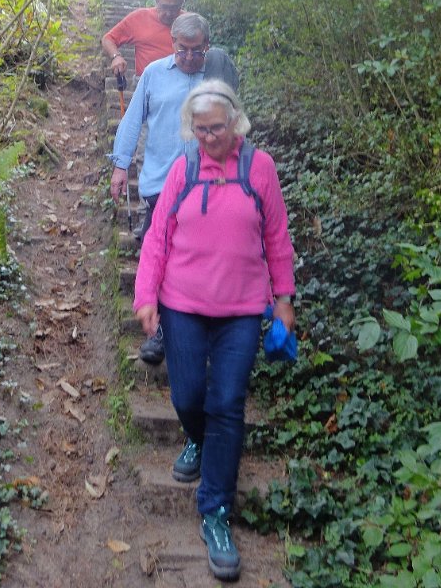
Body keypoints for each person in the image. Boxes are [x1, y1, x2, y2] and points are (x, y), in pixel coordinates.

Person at [133, 81, 296, 581]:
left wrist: (283, 300)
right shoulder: (183, 168)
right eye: (200, 130)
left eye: (217, 128)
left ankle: (216, 512)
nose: (209, 138)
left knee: (227, 404)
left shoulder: (259, 168)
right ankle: (199, 440)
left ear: (236, 122)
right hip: (182, 304)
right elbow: (158, 237)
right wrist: (146, 296)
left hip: (242, 310)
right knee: (187, 396)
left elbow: (277, 236)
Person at [110, 13, 239, 363]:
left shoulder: (215, 77)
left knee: (197, 259)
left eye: (197, 51)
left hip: (206, 186)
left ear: (206, 46)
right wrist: (121, 165)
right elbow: (132, 120)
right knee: (160, 255)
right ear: (173, 44)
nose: (189, 57)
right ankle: (161, 333)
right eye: (182, 50)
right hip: (160, 183)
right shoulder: (154, 74)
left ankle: (201, 328)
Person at [101, 0, 185, 78]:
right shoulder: (140, 17)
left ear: (181, 5)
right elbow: (108, 39)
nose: (169, 13)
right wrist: (116, 56)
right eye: (164, 7)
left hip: (182, 81)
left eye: (174, 8)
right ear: (157, 2)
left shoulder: (189, 22)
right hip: (147, 82)